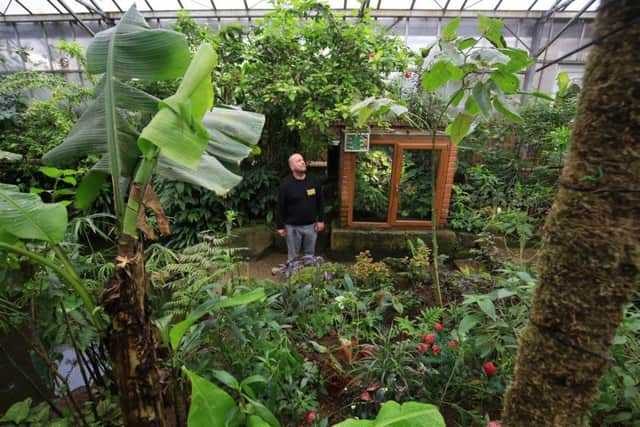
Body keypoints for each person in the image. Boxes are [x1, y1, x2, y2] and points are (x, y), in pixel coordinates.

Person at [276, 153, 325, 263]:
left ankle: (308, 277)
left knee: (310, 255)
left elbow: (320, 202)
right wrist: (280, 226)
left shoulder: (314, 181)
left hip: (311, 226)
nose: (302, 162)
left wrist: (321, 220)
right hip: (292, 227)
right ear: (292, 167)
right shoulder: (285, 184)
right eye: (298, 161)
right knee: (293, 256)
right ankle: (292, 277)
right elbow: (280, 206)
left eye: (302, 159)